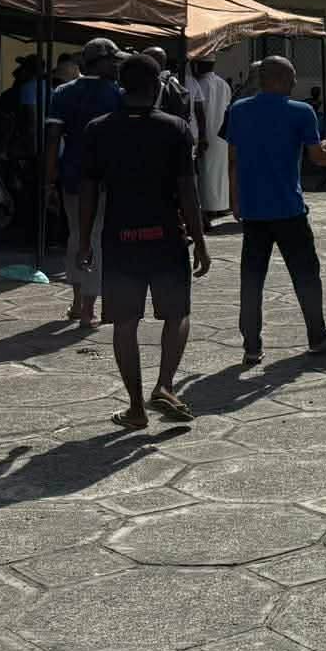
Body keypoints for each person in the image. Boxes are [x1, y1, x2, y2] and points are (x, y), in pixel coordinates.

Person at [76, 54, 210, 430]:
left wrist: (84, 241)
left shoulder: (98, 129)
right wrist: (199, 239)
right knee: (177, 314)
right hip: (166, 237)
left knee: (124, 323)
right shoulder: (176, 128)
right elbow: (188, 191)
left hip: (120, 239)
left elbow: (89, 191)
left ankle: (135, 408)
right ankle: (165, 385)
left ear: (122, 87)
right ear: (157, 88)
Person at [220, 55, 326, 365]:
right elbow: (318, 157)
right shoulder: (301, 112)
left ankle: (251, 344)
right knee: (306, 273)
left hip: (253, 209)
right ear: (278, 79)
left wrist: (235, 200)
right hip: (288, 207)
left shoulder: (238, 111)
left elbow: (233, 159)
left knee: (252, 278)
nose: (295, 82)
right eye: (291, 76)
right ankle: (317, 335)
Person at [46, 39, 123, 327]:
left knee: (76, 235)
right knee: (98, 237)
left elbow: (53, 138)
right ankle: (90, 307)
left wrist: (48, 177)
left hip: (72, 176)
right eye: (112, 61)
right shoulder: (117, 95)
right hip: (105, 179)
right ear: (98, 63)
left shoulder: (62, 93)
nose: (116, 66)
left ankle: (78, 302)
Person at [189, 58, 233, 220]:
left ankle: (208, 207)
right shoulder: (224, 84)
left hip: (205, 134)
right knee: (220, 172)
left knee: (205, 172)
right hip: (222, 135)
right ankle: (221, 205)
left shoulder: (199, 84)